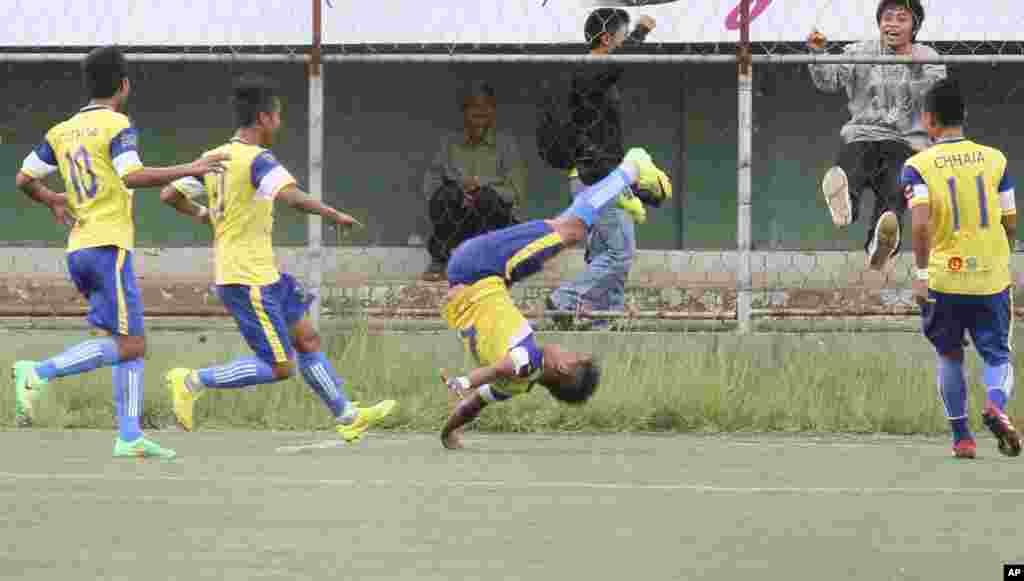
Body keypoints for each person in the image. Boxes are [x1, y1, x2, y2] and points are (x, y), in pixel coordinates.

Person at [12, 45, 228, 458]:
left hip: (79, 249)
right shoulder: (117, 125)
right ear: (124, 85)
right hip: (108, 247)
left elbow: (24, 178)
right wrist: (191, 168)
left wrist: (53, 199)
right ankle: (36, 372)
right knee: (133, 344)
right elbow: (132, 174)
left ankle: (129, 434)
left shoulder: (61, 131)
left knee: (126, 340)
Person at [160, 74, 395, 442]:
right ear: (264, 118)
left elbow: (169, 195)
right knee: (281, 366)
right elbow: (290, 196)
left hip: (266, 272)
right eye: (278, 117)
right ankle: (191, 381)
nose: (280, 124)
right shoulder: (257, 159)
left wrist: (205, 215)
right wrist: (333, 214)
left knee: (307, 339)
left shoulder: (214, 157)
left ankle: (347, 415)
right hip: (245, 278)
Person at [438, 147, 670, 449]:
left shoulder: (527, 361)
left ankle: (630, 170)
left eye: (571, 356)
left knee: (570, 232)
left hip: (480, 267)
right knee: (559, 235)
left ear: (562, 368)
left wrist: (466, 381)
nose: (565, 350)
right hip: (485, 279)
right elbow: (473, 407)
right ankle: (610, 194)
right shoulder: (515, 388)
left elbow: (500, 368)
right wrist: (449, 433)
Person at [904, 79, 1019, 459]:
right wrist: (1003, 254)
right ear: (964, 116)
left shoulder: (917, 166)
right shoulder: (995, 159)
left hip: (943, 279)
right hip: (989, 276)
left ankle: (963, 439)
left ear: (928, 120)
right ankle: (996, 406)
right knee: (997, 356)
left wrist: (921, 276)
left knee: (949, 354)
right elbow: (1009, 220)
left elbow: (919, 224)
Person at [808, 0, 946, 270]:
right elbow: (829, 81)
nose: (892, 24)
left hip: (905, 141)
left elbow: (936, 95)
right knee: (854, 165)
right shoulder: (861, 51)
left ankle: (879, 244)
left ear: (914, 26)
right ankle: (846, 203)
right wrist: (818, 53)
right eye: (887, 18)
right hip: (864, 134)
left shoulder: (927, 56)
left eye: (901, 18)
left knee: (895, 189)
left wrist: (915, 66)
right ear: (879, 22)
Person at [548, 8, 659, 328]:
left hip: (601, 173)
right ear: (608, 38)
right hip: (595, 176)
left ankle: (602, 322)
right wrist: (641, 32)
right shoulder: (589, 70)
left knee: (606, 254)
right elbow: (620, 63)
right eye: (623, 38)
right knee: (620, 254)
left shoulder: (597, 76)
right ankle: (565, 300)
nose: (626, 44)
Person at [421, 81, 527, 281]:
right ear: (464, 111)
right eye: (473, 106)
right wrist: (459, 192)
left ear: (493, 111)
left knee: (485, 197)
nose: (480, 111)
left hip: (491, 219)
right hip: (457, 220)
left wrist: (481, 187)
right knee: (447, 195)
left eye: (486, 106)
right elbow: (431, 186)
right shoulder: (449, 143)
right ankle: (442, 261)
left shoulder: (506, 144)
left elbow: (516, 192)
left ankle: (489, 262)